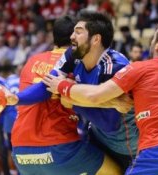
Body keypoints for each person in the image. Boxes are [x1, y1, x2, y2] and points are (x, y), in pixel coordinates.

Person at [44, 19, 158, 174]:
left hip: (157, 153)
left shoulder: (141, 68)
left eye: (153, 38)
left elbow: (95, 96)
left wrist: (61, 85)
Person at [8, 15, 122, 175]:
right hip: (59, 149)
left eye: (78, 32)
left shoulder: (32, 61)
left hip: (20, 151)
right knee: (116, 171)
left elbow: (43, 88)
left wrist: (16, 99)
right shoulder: (78, 61)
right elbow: (106, 120)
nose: (73, 37)